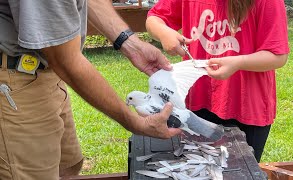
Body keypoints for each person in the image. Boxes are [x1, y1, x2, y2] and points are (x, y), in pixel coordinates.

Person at [0, 0, 182, 179]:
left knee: (68, 166)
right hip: (14, 80)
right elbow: (66, 61)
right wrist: (136, 123)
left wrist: (131, 44)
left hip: (44, 72)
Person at [146, 0, 289, 162]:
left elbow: (278, 55)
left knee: (241, 171)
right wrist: (163, 32)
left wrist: (238, 63)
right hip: (197, 102)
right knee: (196, 168)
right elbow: (154, 18)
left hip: (246, 107)